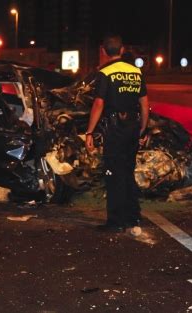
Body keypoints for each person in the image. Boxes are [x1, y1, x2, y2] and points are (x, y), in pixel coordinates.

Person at [85, 34, 149, 233]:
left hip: (115, 128)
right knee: (128, 171)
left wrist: (90, 131)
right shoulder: (136, 72)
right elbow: (145, 103)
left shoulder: (105, 73)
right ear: (122, 50)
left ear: (104, 51)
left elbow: (98, 103)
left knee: (113, 172)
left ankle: (115, 221)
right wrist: (142, 129)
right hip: (132, 127)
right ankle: (133, 216)